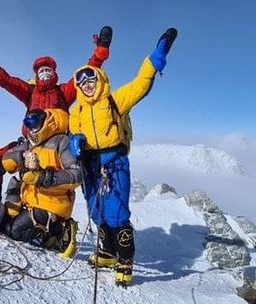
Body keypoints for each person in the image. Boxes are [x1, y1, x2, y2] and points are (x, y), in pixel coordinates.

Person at [68, 28, 177, 287]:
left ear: (100, 79)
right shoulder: (76, 111)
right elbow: (73, 136)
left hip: (114, 162)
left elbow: (141, 84)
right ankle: (106, 252)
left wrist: (155, 58)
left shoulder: (115, 100)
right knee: (97, 212)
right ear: (78, 86)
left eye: (91, 79)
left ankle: (125, 259)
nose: (87, 85)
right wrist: (75, 144)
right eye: (82, 82)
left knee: (116, 213)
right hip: (90, 165)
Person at [0, 26, 111, 200]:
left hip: (57, 147)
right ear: (37, 75)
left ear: (54, 73)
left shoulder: (63, 91)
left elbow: (85, 73)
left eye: (48, 70)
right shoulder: (29, 91)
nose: (45, 73)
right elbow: (5, 80)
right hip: (29, 144)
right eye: (41, 71)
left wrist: (100, 51)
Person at [0, 108, 83, 258]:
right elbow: (8, 159)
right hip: (30, 199)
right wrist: (21, 155)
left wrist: (44, 178)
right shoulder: (30, 142)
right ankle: (47, 234)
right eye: (28, 123)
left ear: (45, 121)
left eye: (34, 123)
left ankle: (60, 228)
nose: (31, 127)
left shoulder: (61, 142)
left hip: (52, 202)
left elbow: (76, 175)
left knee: (14, 231)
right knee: (3, 223)